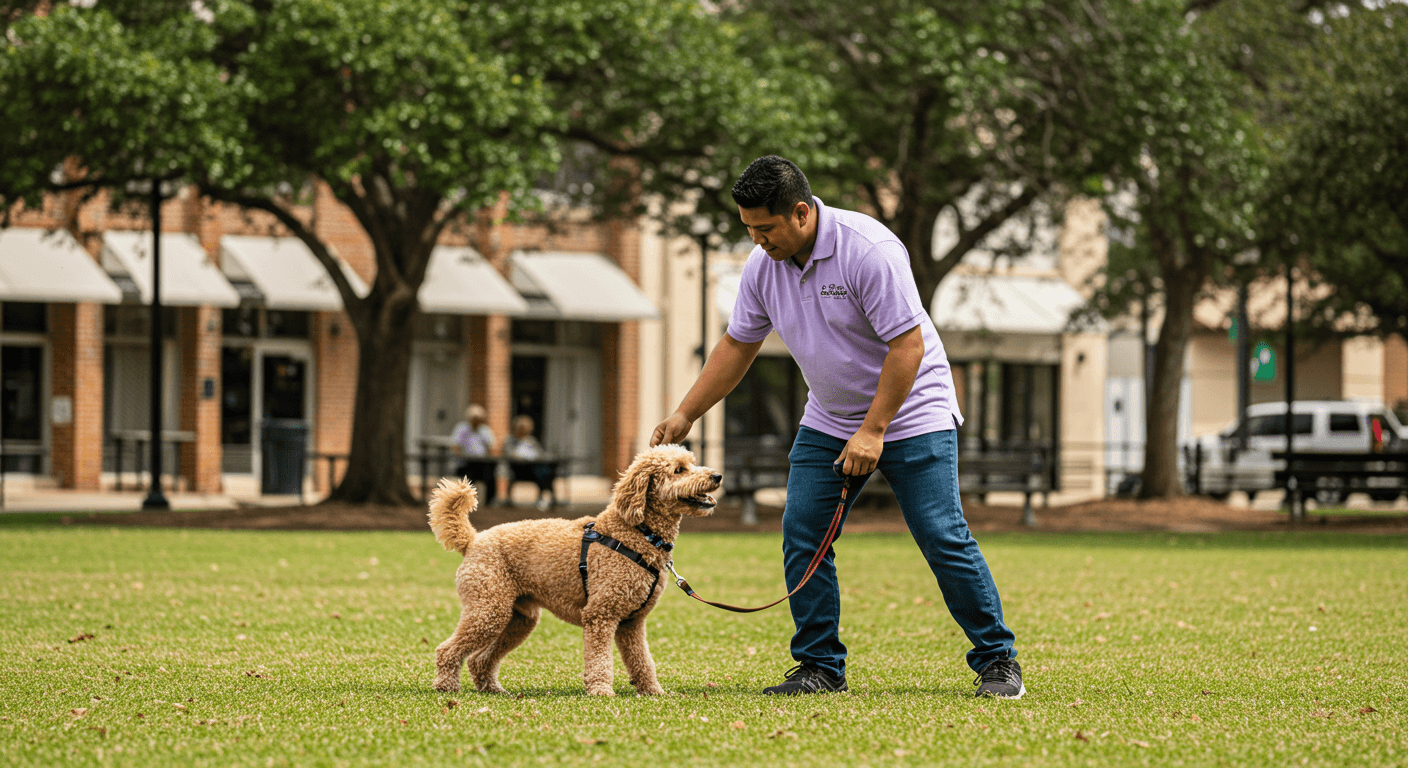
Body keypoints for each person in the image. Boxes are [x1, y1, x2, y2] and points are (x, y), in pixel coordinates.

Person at [651, 156, 1023, 698]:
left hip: (912, 411)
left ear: (802, 213)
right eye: (749, 228)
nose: (757, 240)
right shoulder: (763, 266)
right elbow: (737, 344)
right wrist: (687, 412)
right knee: (803, 533)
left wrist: (873, 430)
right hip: (829, 417)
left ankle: (997, 661)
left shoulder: (868, 251)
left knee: (941, 534)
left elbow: (908, 346)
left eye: (766, 227)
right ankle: (820, 667)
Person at [504, 414, 556, 510]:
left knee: (547, 471)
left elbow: (540, 454)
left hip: (533, 469)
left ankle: (546, 498)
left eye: (526, 428)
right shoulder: (510, 440)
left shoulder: (532, 441)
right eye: (521, 428)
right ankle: (547, 497)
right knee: (543, 472)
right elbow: (508, 454)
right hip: (518, 470)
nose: (524, 430)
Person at [452, 404, 498, 506]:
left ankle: (490, 502)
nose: (476, 421)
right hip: (466, 462)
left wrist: (489, 457)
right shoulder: (461, 429)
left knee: (490, 475)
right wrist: (462, 456)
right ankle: (465, 502)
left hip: (482, 462)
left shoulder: (485, 431)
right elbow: (456, 446)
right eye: (474, 418)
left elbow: (492, 448)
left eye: (479, 419)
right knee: (468, 477)